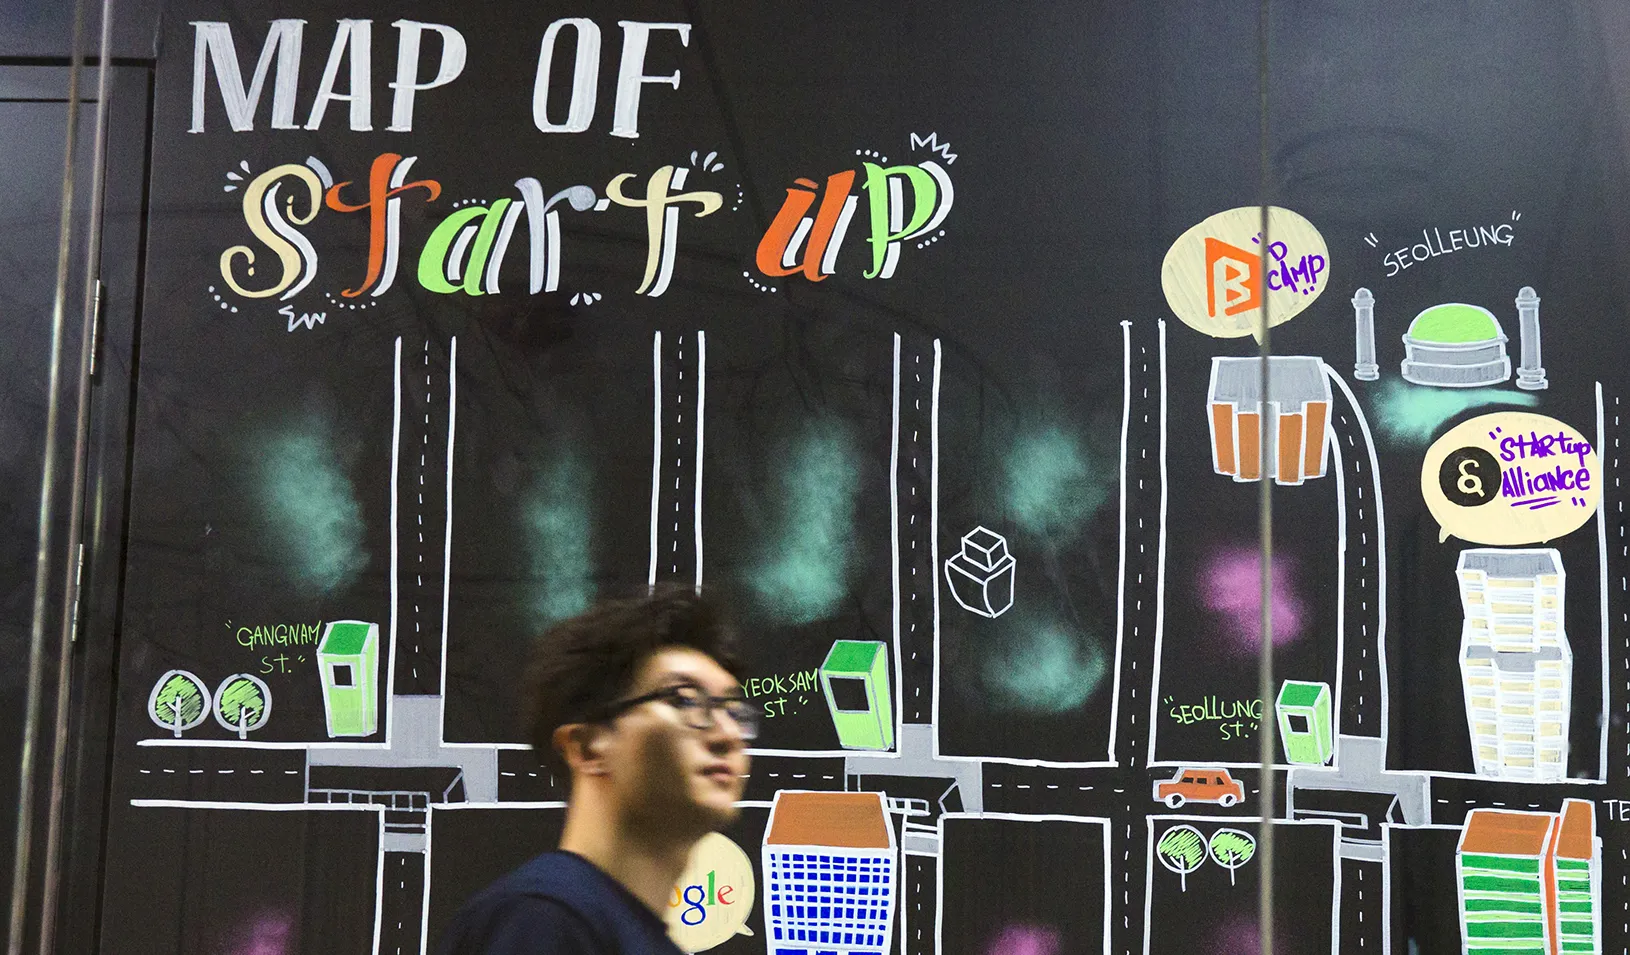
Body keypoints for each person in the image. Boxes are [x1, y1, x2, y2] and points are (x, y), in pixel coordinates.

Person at [438, 587, 754, 954]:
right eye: (683, 700)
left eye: (733, 711)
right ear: (587, 748)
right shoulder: (542, 918)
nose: (728, 734)